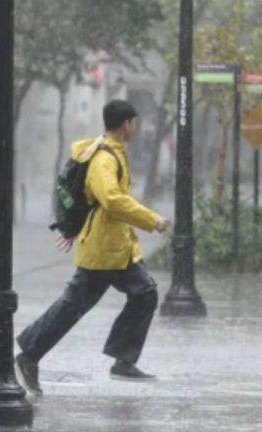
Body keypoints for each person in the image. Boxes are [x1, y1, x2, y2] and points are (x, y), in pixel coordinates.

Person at [14, 100, 171, 397]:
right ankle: (29, 356)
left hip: (117, 248)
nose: (135, 128)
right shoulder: (104, 158)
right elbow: (111, 199)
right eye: (133, 123)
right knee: (73, 305)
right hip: (103, 250)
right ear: (125, 124)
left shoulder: (109, 152)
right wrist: (151, 219)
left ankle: (122, 360)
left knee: (145, 292)